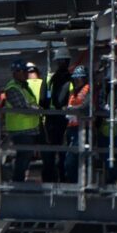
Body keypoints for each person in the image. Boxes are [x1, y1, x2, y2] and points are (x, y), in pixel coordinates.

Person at [0, 61, 46, 183]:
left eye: (26, 71)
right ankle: (17, 181)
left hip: (29, 129)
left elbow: (30, 104)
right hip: (20, 130)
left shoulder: (23, 86)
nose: (26, 73)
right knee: (23, 157)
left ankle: (19, 181)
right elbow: (23, 107)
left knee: (26, 156)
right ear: (16, 73)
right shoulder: (12, 88)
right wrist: (37, 109)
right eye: (23, 71)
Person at [42, 58, 75, 186]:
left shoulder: (51, 79)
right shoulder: (68, 80)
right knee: (60, 152)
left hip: (55, 120)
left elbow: (43, 99)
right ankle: (60, 178)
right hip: (59, 121)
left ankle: (53, 179)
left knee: (54, 152)